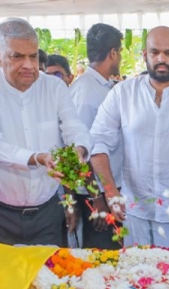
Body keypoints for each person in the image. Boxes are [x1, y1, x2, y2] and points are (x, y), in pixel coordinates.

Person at [88, 26, 169, 251]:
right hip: (133, 210)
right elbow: (98, 143)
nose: (161, 59)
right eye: (155, 52)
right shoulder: (123, 93)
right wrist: (110, 191)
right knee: (136, 278)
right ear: (145, 55)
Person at [0, 18, 92, 247]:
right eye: (17, 56)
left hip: (46, 213)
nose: (29, 65)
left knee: (50, 279)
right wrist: (37, 158)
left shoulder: (53, 87)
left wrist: (79, 151)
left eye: (33, 56)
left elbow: (74, 127)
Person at [68, 23, 124, 250]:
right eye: (119, 52)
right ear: (113, 53)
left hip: (108, 191)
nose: (119, 57)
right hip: (96, 195)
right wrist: (96, 199)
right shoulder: (86, 92)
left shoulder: (104, 86)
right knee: (102, 259)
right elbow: (79, 152)